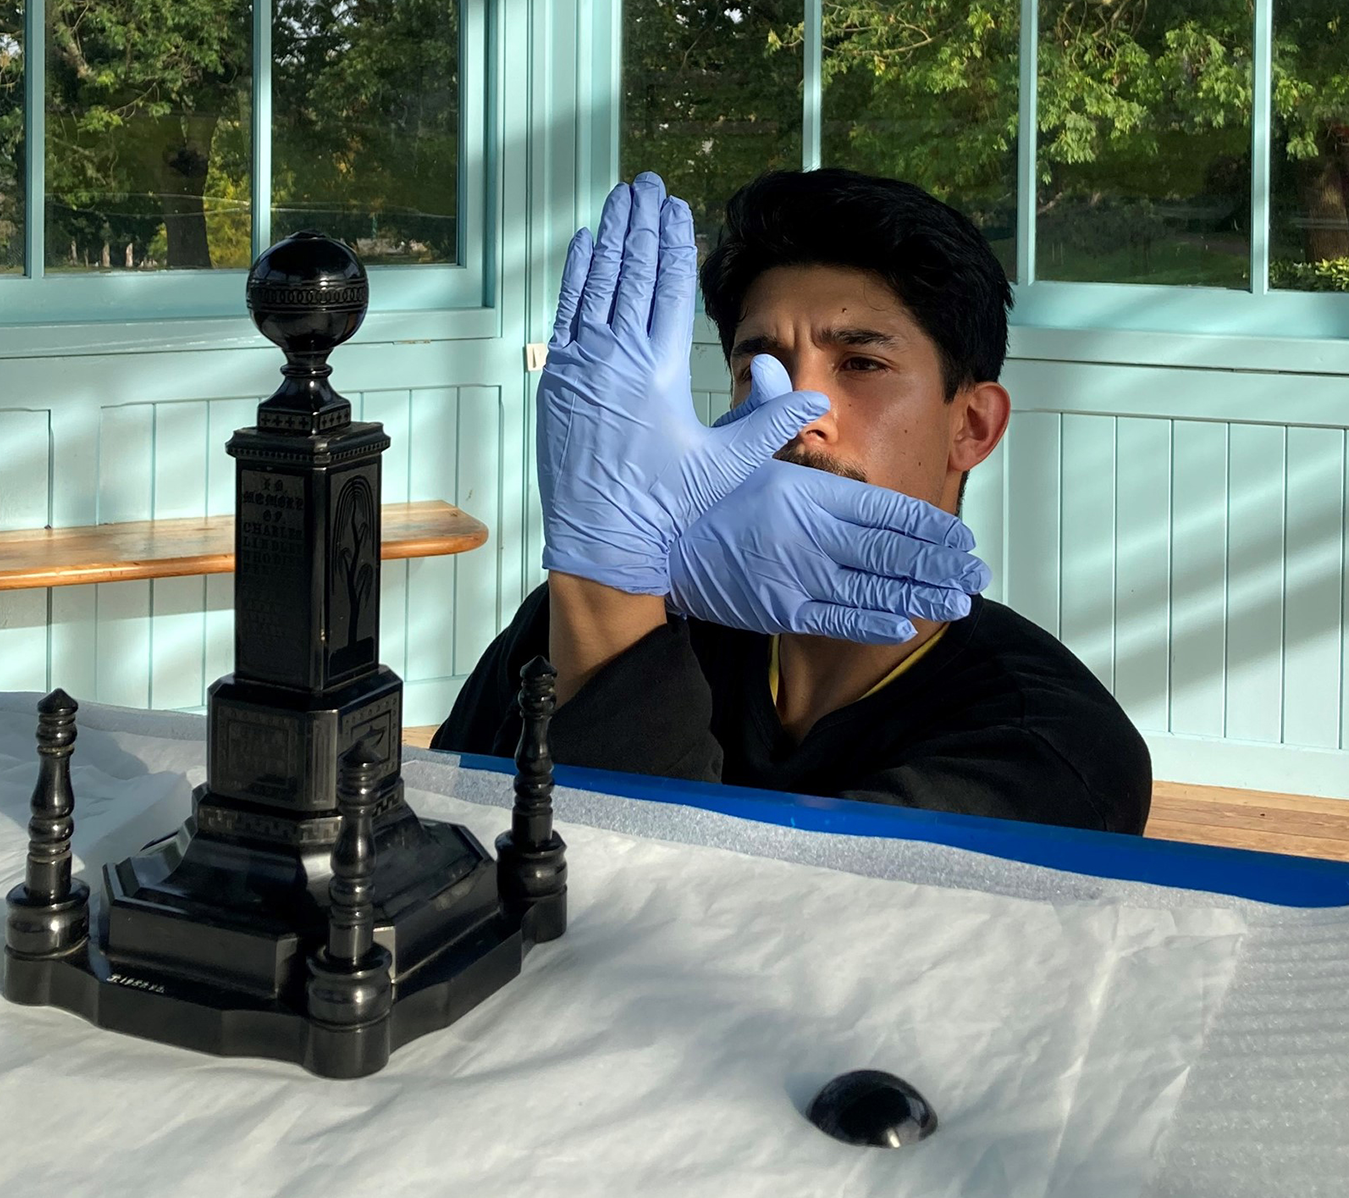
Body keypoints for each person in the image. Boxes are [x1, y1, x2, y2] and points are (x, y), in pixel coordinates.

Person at [435, 168, 1150, 835]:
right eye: (759, 368)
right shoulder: (582, 608)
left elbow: (693, 928)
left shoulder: (1052, 748)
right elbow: (441, 826)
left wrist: (611, 589)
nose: (801, 411)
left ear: (971, 426)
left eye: (862, 364)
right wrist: (618, 580)